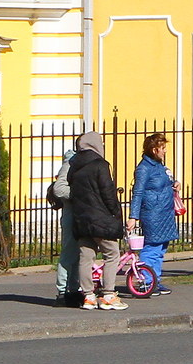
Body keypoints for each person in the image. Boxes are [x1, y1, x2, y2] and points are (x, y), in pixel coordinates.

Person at [67, 131, 127, 310]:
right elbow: (108, 192)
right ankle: (108, 294)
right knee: (112, 254)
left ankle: (88, 296)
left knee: (86, 256)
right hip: (100, 217)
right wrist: (116, 213)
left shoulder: (74, 166)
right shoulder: (100, 165)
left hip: (81, 218)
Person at [127, 132, 180, 296]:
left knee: (161, 247)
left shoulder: (160, 166)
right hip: (153, 213)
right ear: (154, 149)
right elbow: (138, 193)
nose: (165, 151)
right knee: (152, 247)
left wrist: (174, 184)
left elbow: (163, 182)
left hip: (165, 212)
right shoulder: (143, 168)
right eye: (162, 148)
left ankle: (155, 280)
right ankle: (146, 281)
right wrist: (133, 216)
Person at [49, 138, 83, 308]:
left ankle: (74, 288)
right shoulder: (70, 163)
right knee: (69, 253)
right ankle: (63, 292)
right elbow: (59, 188)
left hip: (83, 212)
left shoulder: (84, 162)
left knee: (79, 255)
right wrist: (81, 193)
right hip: (71, 213)